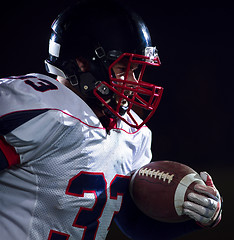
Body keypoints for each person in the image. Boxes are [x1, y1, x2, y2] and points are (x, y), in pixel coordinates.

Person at [0, 0, 222, 239]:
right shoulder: (40, 109)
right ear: (83, 63)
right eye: (124, 68)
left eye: (137, 70)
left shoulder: (133, 135)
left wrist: (197, 215)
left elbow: (134, 224)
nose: (134, 82)